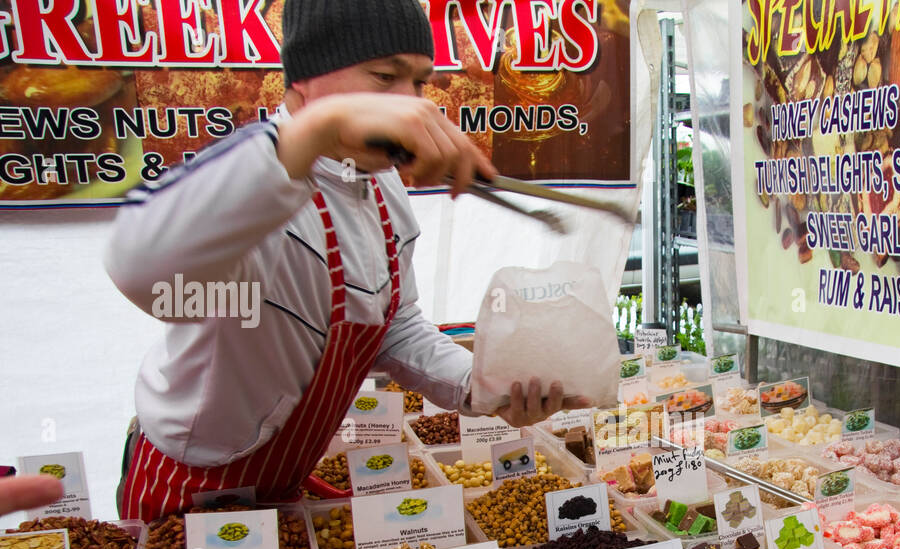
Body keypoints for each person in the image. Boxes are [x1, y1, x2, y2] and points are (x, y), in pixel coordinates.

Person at [106, 0, 585, 522]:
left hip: (286, 483)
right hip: (188, 486)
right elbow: (143, 273)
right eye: (384, 77)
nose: (409, 104)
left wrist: (481, 383)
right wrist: (318, 132)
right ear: (305, 78)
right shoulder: (250, 173)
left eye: (420, 83)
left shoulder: (379, 185)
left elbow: (394, 326)